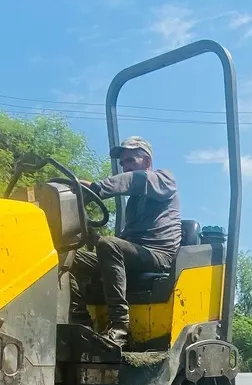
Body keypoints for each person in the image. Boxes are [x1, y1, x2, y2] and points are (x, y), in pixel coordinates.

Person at [73, 137, 180, 348]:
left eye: (131, 160)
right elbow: (127, 240)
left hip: (158, 255)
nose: (126, 166)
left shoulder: (164, 180)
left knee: (108, 244)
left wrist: (96, 187)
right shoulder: (134, 202)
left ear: (147, 160)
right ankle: (80, 321)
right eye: (123, 163)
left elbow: (135, 179)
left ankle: (120, 327)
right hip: (136, 253)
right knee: (67, 256)